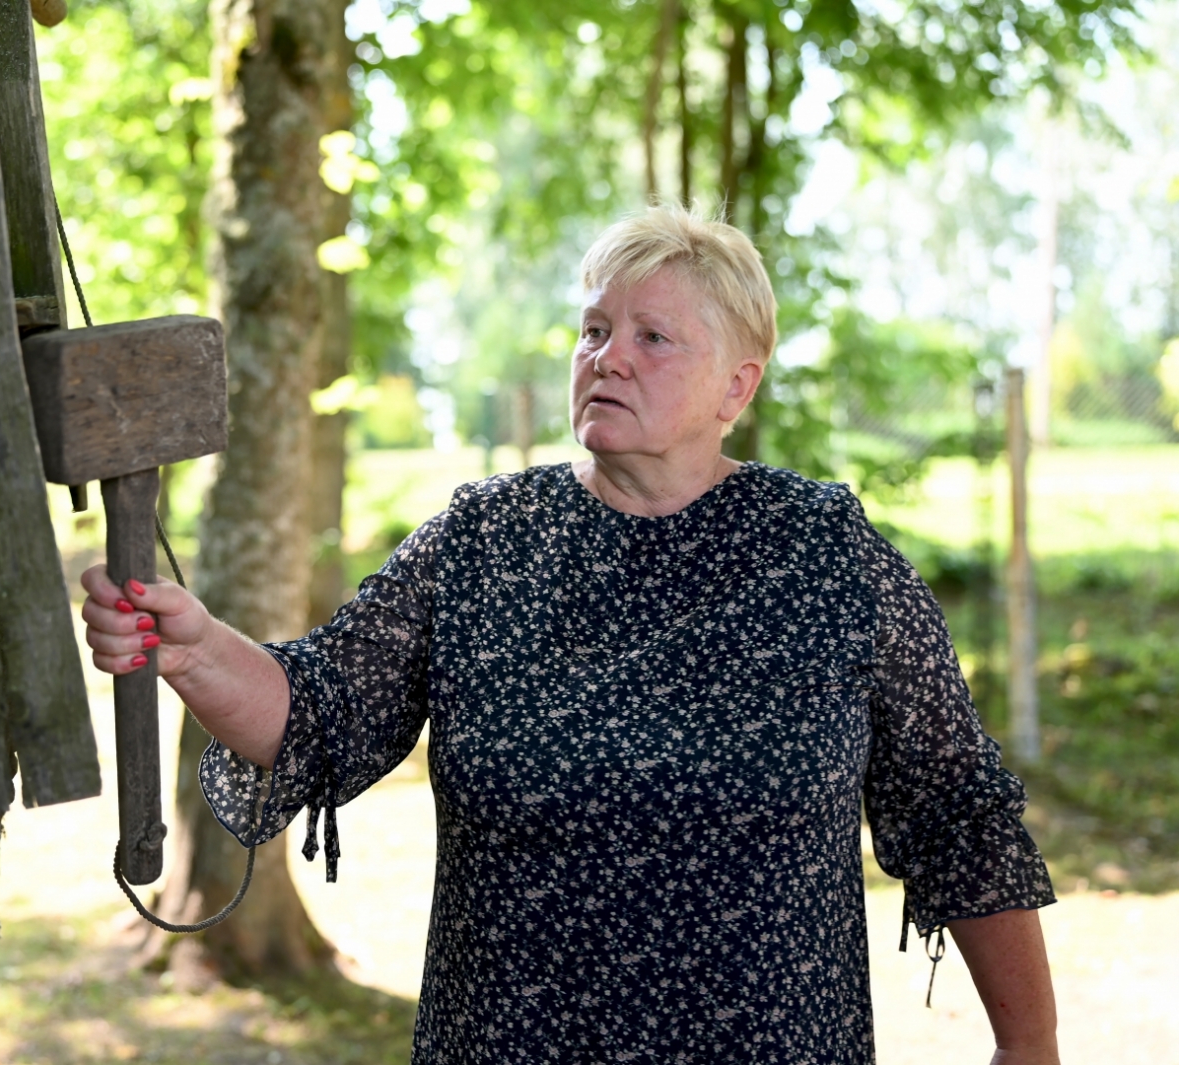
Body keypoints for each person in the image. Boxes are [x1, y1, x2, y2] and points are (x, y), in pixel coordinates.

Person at [81, 205, 1059, 1064]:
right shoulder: (483, 542)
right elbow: (317, 711)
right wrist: (198, 649)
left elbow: (956, 812)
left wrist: (1029, 1047)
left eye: (651, 337)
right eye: (593, 331)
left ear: (736, 387)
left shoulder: (824, 554)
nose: (607, 356)